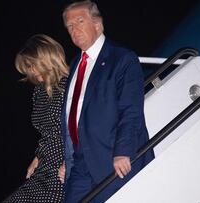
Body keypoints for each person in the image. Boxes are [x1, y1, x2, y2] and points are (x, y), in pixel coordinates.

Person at [58, 1, 155, 202]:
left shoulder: (122, 58)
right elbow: (74, 114)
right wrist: (69, 157)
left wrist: (123, 151)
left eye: (80, 21)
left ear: (97, 24)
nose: (74, 29)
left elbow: (131, 110)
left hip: (112, 159)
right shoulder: (76, 63)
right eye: (69, 26)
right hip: (81, 164)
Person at [3, 34, 69, 203]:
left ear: (48, 58)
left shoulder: (69, 84)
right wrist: (37, 157)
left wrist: (72, 161)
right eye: (28, 67)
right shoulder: (38, 92)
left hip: (63, 165)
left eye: (33, 65)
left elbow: (85, 127)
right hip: (45, 165)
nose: (31, 71)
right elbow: (47, 133)